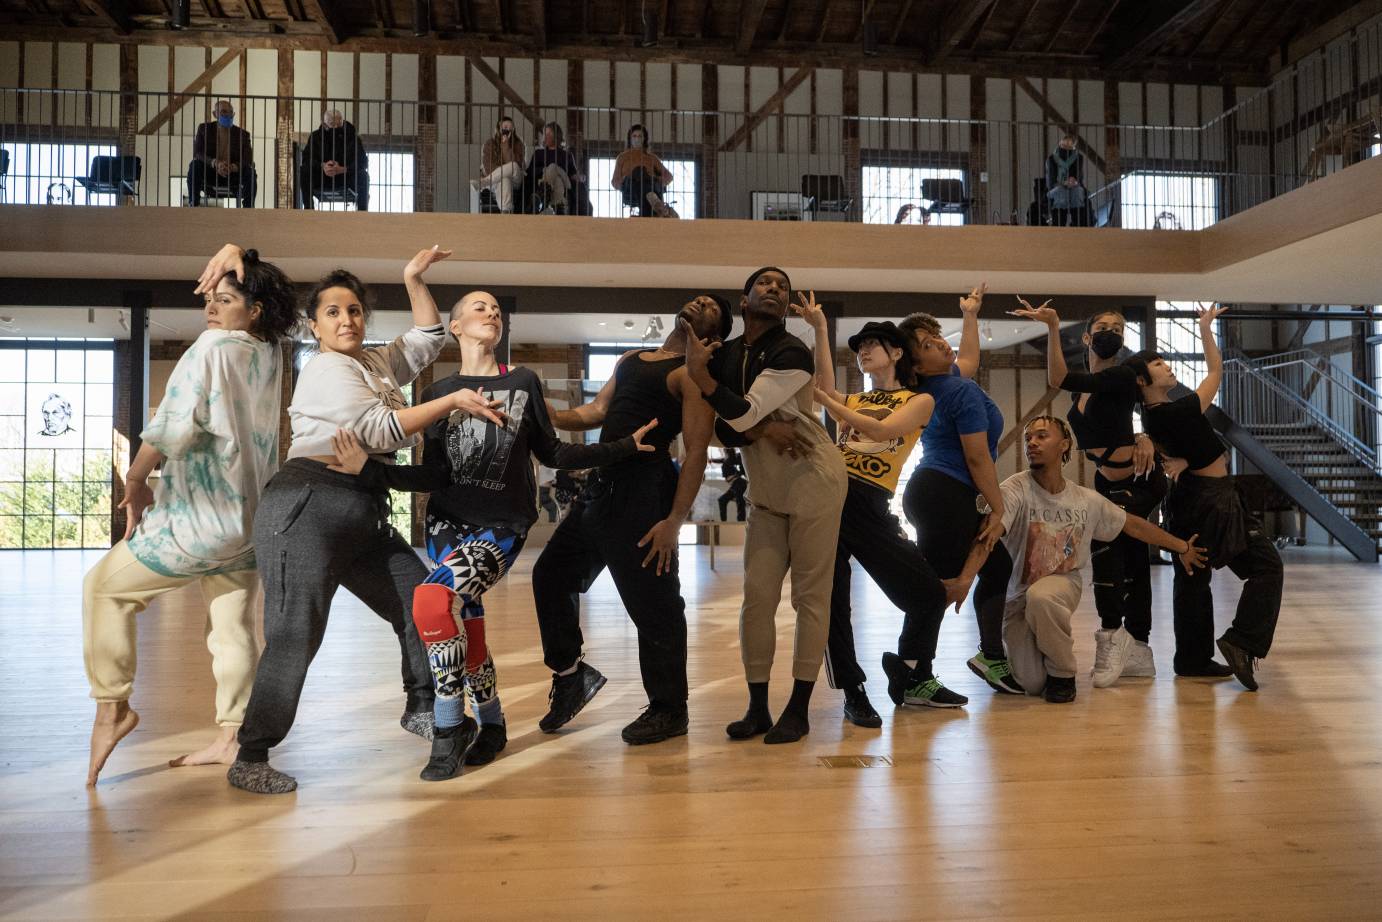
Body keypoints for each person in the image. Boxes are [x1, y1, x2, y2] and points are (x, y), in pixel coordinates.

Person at [325, 292, 658, 780]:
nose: (491, 314)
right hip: (446, 523)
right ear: (455, 326)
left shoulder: (523, 383)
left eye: (496, 311)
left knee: (432, 602)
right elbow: (433, 475)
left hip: (502, 527)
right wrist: (370, 473)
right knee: (466, 627)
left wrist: (624, 446)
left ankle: (447, 727)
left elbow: (555, 454)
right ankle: (493, 722)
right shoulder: (441, 389)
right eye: (479, 307)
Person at [212, 246, 505, 795]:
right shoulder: (324, 368)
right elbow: (379, 431)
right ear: (313, 325)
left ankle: (422, 706)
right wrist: (451, 403)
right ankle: (251, 754)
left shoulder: (371, 362)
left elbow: (427, 339)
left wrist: (412, 278)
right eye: (332, 312)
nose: (346, 320)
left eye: (354, 311)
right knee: (296, 633)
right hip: (307, 505)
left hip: (361, 507)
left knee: (422, 599)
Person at [83, 247, 297, 786]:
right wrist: (235, 250)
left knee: (103, 589)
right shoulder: (273, 353)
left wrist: (134, 482)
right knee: (232, 629)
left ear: (254, 311)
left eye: (225, 300)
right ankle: (231, 736)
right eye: (210, 299)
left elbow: (173, 428)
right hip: (249, 520)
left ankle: (113, 708)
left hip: (198, 523)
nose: (211, 308)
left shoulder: (211, 348)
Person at [532, 295, 728, 745]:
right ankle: (570, 675)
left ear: (713, 336)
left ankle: (668, 708)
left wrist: (675, 521)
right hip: (601, 486)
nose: (700, 303)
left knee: (654, 607)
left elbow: (695, 450)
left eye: (711, 308)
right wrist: (550, 414)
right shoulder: (629, 359)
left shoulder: (691, 376)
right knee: (551, 573)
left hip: (645, 494)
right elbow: (597, 412)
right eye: (697, 299)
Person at [684, 268, 848, 744]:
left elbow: (745, 411)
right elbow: (722, 428)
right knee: (757, 599)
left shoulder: (792, 350)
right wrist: (756, 428)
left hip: (815, 480)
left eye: (783, 287)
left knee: (810, 599)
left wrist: (712, 389)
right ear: (744, 299)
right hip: (768, 491)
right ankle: (758, 707)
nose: (776, 289)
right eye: (766, 283)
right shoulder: (728, 354)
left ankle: (798, 709)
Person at [944, 416, 1207, 702]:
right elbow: (991, 532)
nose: (1032, 442)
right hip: (1015, 600)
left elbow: (1132, 524)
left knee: (1042, 597)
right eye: (1028, 438)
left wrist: (1182, 547)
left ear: (1064, 444)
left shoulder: (1084, 500)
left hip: (1060, 584)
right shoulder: (1015, 489)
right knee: (1031, 684)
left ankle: (1063, 674)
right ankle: (1018, 652)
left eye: (1042, 436)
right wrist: (964, 579)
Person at [801, 308, 958, 725]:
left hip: (871, 504)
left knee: (929, 594)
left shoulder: (919, 400)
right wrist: (819, 327)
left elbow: (882, 432)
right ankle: (854, 693)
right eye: (858, 348)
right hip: (831, 499)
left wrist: (827, 402)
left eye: (872, 344)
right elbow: (828, 390)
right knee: (834, 603)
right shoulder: (852, 399)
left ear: (895, 353)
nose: (863, 352)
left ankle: (908, 670)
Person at [1011, 300, 1180, 687]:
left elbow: (1058, 377)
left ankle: (1112, 637)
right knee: (1133, 560)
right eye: (1103, 326)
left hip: (1139, 480)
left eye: (1119, 329)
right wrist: (1141, 434)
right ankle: (1139, 651)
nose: (1111, 332)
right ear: (1087, 337)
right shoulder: (1083, 395)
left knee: (1109, 555)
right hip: (1108, 483)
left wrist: (1147, 437)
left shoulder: (1121, 375)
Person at [1124, 305, 1284, 691]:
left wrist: (1181, 459)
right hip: (1209, 501)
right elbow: (1215, 372)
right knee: (1264, 567)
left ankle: (1194, 659)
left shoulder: (1157, 417)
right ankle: (1240, 642)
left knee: (1194, 578)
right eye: (1159, 363)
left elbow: (1190, 451)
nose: (1167, 366)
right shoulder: (1174, 410)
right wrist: (1205, 328)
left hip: (1199, 498)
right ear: (1144, 380)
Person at [895, 288, 1022, 698]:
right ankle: (915, 675)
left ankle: (986, 656)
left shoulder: (943, 383)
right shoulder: (958, 392)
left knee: (994, 568)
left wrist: (970, 316)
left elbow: (968, 359)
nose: (941, 344)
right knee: (936, 589)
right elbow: (978, 459)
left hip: (936, 493)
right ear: (916, 364)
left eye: (938, 337)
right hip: (944, 493)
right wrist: (998, 507)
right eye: (928, 345)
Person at [188, 100, 256, 208]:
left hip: (233, 174)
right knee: (194, 165)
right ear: (215, 114)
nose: (227, 115)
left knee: (250, 172)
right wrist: (215, 163)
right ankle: (194, 203)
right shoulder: (204, 129)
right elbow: (198, 152)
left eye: (230, 112)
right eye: (223, 111)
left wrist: (234, 166)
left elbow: (248, 158)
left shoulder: (243, 134)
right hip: (210, 171)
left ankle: (248, 208)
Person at [301, 109, 370, 210]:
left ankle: (362, 212)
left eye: (338, 123)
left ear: (342, 121)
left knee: (363, 176)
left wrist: (343, 169)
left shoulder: (353, 138)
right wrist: (322, 166)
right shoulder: (315, 137)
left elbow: (363, 162)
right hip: (322, 177)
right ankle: (309, 210)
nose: (336, 127)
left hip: (345, 177)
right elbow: (306, 159)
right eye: (332, 124)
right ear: (324, 124)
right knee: (304, 171)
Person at [611, 124, 676, 218]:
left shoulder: (652, 158)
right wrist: (624, 179)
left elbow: (669, 176)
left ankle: (648, 211)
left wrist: (657, 179)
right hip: (630, 188)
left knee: (644, 177)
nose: (637, 139)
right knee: (638, 171)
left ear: (644, 139)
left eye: (640, 136)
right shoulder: (622, 157)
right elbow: (615, 181)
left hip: (651, 184)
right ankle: (657, 205)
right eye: (634, 136)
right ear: (630, 138)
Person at [473, 115, 525, 214]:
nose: (508, 130)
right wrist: (504, 173)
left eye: (511, 128)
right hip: (496, 180)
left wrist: (505, 146)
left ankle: (484, 182)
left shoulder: (518, 144)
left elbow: (517, 164)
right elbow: (488, 168)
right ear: (499, 128)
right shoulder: (490, 144)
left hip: (515, 179)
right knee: (505, 179)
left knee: (513, 165)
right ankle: (506, 212)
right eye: (505, 127)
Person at [525, 122, 580, 215]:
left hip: (565, 183)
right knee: (556, 177)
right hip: (549, 184)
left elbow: (572, 174)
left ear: (556, 136)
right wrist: (544, 170)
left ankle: (540, 196)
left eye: (549, 134)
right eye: (544, 134)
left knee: (553, 167)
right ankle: (555, 205)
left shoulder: (566, 155)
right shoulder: (539, 153)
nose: (546, 136)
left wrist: (579, 177)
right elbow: (530, 171)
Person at [1046, 134, 1087, 227]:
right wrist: (1063, 183)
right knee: (1061, 193)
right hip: (1056, 186)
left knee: (1077, 192)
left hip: (1073, 186)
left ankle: (1078, 226)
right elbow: (1051, 179)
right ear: (1060, 144)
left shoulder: (1078, 157)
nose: (1066, 149)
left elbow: (1078, 175)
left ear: (1073, 147)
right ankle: (1059, 225)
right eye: (1064, 146)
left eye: (1069, 147)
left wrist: (1074, 181)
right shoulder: (1051, 159)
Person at [717, 448, 747, 522]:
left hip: (739, 483)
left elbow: (724, 460)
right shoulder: (731, 460)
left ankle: (741, 522)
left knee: (740, 502)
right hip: (738, 484)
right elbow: (722, 460)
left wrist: (737, 475)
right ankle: (725, 522)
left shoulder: (728, 462)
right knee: (722, 500)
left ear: (725, 451)